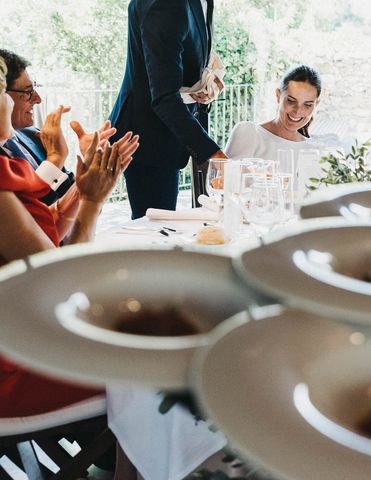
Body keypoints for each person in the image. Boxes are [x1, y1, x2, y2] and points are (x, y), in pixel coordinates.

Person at [0, 57, 140, 417]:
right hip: (20, 360)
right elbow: (61, 279)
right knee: (149, 354)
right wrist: (94, 200)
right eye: (5, 91)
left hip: (22, 331)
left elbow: (44, 226)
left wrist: (85, 183)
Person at [109, 0, 227, 219]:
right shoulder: (164, 4)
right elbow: (163, 97)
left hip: (171, 132)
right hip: (147, 137)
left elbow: (179, 55)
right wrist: (216, 155)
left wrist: (202, 85)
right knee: (155, 231)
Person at [0, 49, 115, 207]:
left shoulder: (34, 136)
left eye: (35, 89)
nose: (38, 99)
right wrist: (55, 158)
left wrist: (90, 164)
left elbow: (80, 209)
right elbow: (29, 217)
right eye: (27, 92)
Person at [225, 64, 322, 160]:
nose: (297, 111)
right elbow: (225, 174)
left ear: (316, 104)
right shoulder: (250, 133)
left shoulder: (314, 151)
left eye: (307, 104)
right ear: (278, 96)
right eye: (291, 101)